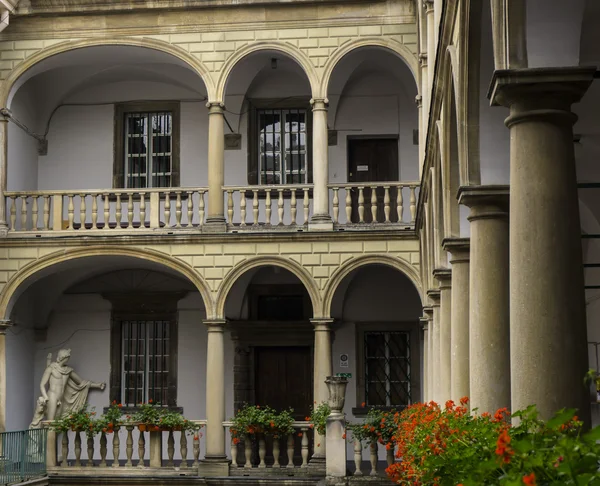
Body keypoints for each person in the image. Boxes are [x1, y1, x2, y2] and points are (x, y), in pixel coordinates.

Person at [39, 349, 105, 420]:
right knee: (50, 422)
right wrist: (45, 397)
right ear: (62, 357)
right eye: (67, 358)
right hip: (52, 396)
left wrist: (97, 385)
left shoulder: (68, 370)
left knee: (57, 423)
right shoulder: (51, 368)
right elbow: (42, 384)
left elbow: (82, 382)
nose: (68, 360)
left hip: (61, 398)